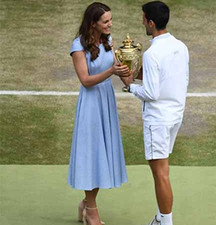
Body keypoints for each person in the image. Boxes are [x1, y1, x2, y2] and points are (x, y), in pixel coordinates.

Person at [120, 1, 189, 225]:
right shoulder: (181, 46)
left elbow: (150, 92)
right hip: (175, 116)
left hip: (157, 120)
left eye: (143, 19)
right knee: (161, 169)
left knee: (160, 173)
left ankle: (165, 222)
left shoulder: (151, 54)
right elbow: (173, 77)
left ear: (151, 22)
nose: (142, 22)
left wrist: (130, 85)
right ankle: (160, 218)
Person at [67, 2, 130, 225]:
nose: (110, 24)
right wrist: (111, 71)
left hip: (106, 103)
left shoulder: (108, 41)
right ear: (93, 23)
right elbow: (85, 81)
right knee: (92, 155)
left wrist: (127, 70)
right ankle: (91, 211)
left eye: (111, 20)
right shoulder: (78, 46)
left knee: (101, 155)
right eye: (106, 21)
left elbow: (121, 70)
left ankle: (86, 203)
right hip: (91, 105)